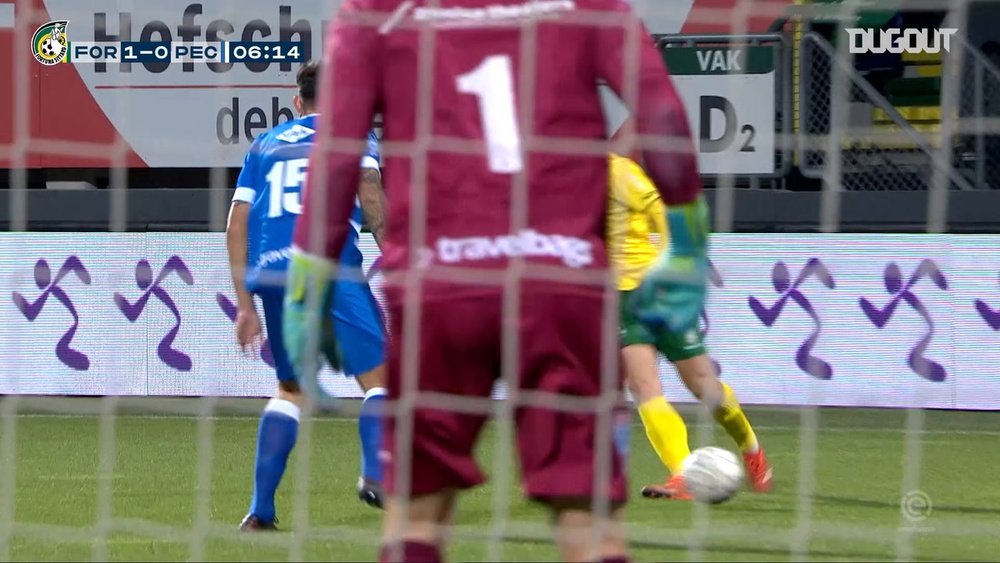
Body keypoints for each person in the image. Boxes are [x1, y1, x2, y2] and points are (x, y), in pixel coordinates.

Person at [283, 1, 710, 561]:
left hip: (442, 287)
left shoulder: (376, 13)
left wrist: (303, 290)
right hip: (561, 283)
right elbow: (663, 113)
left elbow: (337, 156)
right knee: (588, 522)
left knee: (415, 516)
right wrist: (688, 242)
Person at [225, 60, 389, 531]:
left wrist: (244, 305)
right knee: (381, 383)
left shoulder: (265, 144)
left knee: (290, 391)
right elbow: (372, 197)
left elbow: (236, 226)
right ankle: (376, 478)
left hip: (275, 274)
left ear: (298, 104)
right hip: (330, 266)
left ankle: (260, 511)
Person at [607, 152, 772, 500]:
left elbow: (668, 221)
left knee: (703, 386)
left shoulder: (619, 173)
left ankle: (751, 448)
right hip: (620, 298)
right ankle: (682, 475)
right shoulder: (557, 180)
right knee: (642, 385)